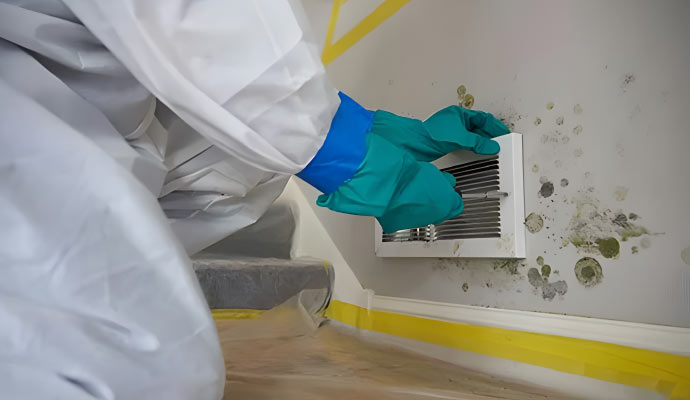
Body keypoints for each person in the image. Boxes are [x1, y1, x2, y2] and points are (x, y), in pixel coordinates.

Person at [0, 1, 509, 398]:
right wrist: (347, 156)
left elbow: (205, 121)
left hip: (57, 97)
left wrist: (373, 134)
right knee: (136, 370)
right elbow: (189, 17)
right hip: (20, 136)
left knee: (258, 175)